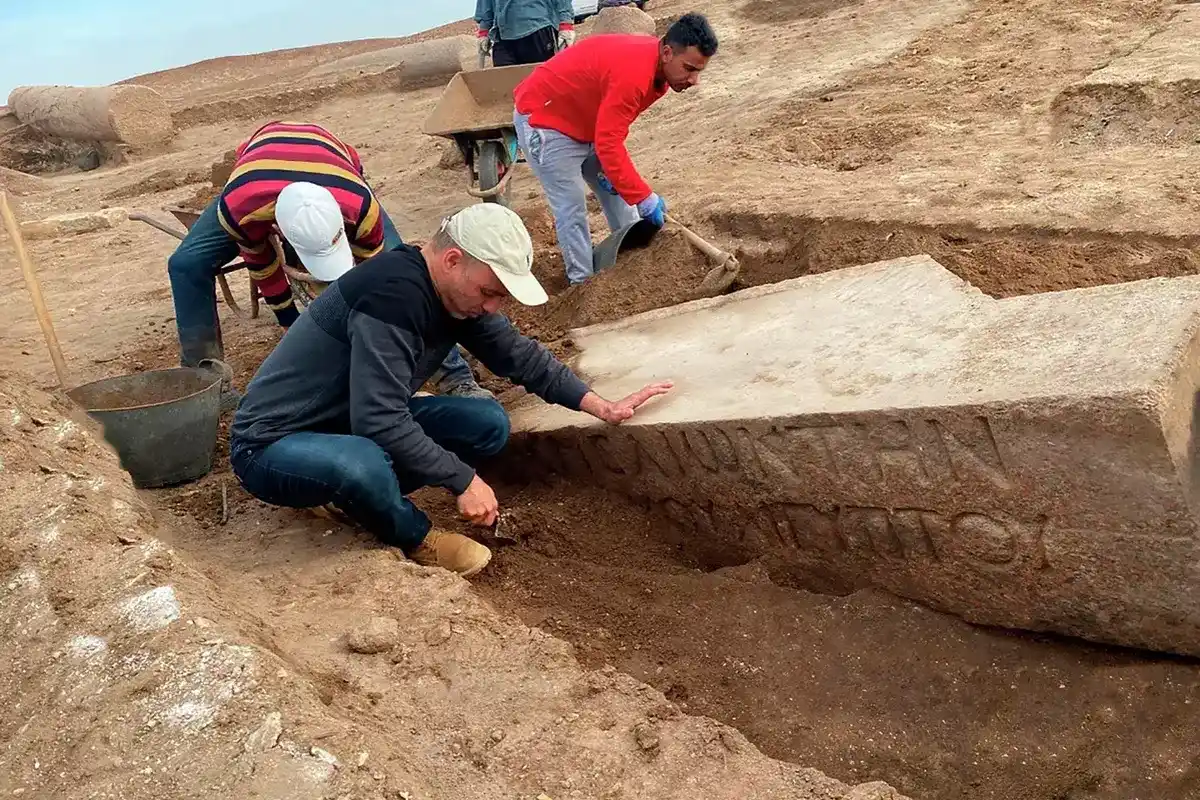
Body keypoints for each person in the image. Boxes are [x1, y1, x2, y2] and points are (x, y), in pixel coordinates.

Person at [228, 202, 672, 577]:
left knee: (486, 422)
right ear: (452, 259)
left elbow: (518, 355)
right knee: (362, 460)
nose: (493, 306)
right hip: (271, 446)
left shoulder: (456, 296)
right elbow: (378, 419)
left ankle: (347, 495)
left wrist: (600, 405)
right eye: (489, 291)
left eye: (501, 296)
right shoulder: (392, 296)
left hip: (343, 427)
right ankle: (414, 536)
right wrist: (463, 480)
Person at [166, 120, 489, 408]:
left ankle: (456, 378)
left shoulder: (360, 208)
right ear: (276, 226)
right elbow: (262, 263)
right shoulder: (241, 207)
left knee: (405, 271)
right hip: (257, 174)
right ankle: (208, 385)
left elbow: (390, 283)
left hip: (334, 164)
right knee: (186, 265)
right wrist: (290, 321)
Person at [511, 12, 718, 286]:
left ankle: (632, 265)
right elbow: (610, 143)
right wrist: (644, 196)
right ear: (667, 52)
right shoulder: (634, 74)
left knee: (622, 198)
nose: (694, 81)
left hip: (585, 122)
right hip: (544, 119)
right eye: (690, 68)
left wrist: (622, 180)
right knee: (571, 206)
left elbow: (612, 131)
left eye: (699, 71)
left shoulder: (660, 76)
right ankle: (583, 285)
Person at [476, 0, 576, 67]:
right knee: (505, 85)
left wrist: (566, 22)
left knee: (541, 84)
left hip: (537, 29)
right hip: (502, 36)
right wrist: (483, 31)